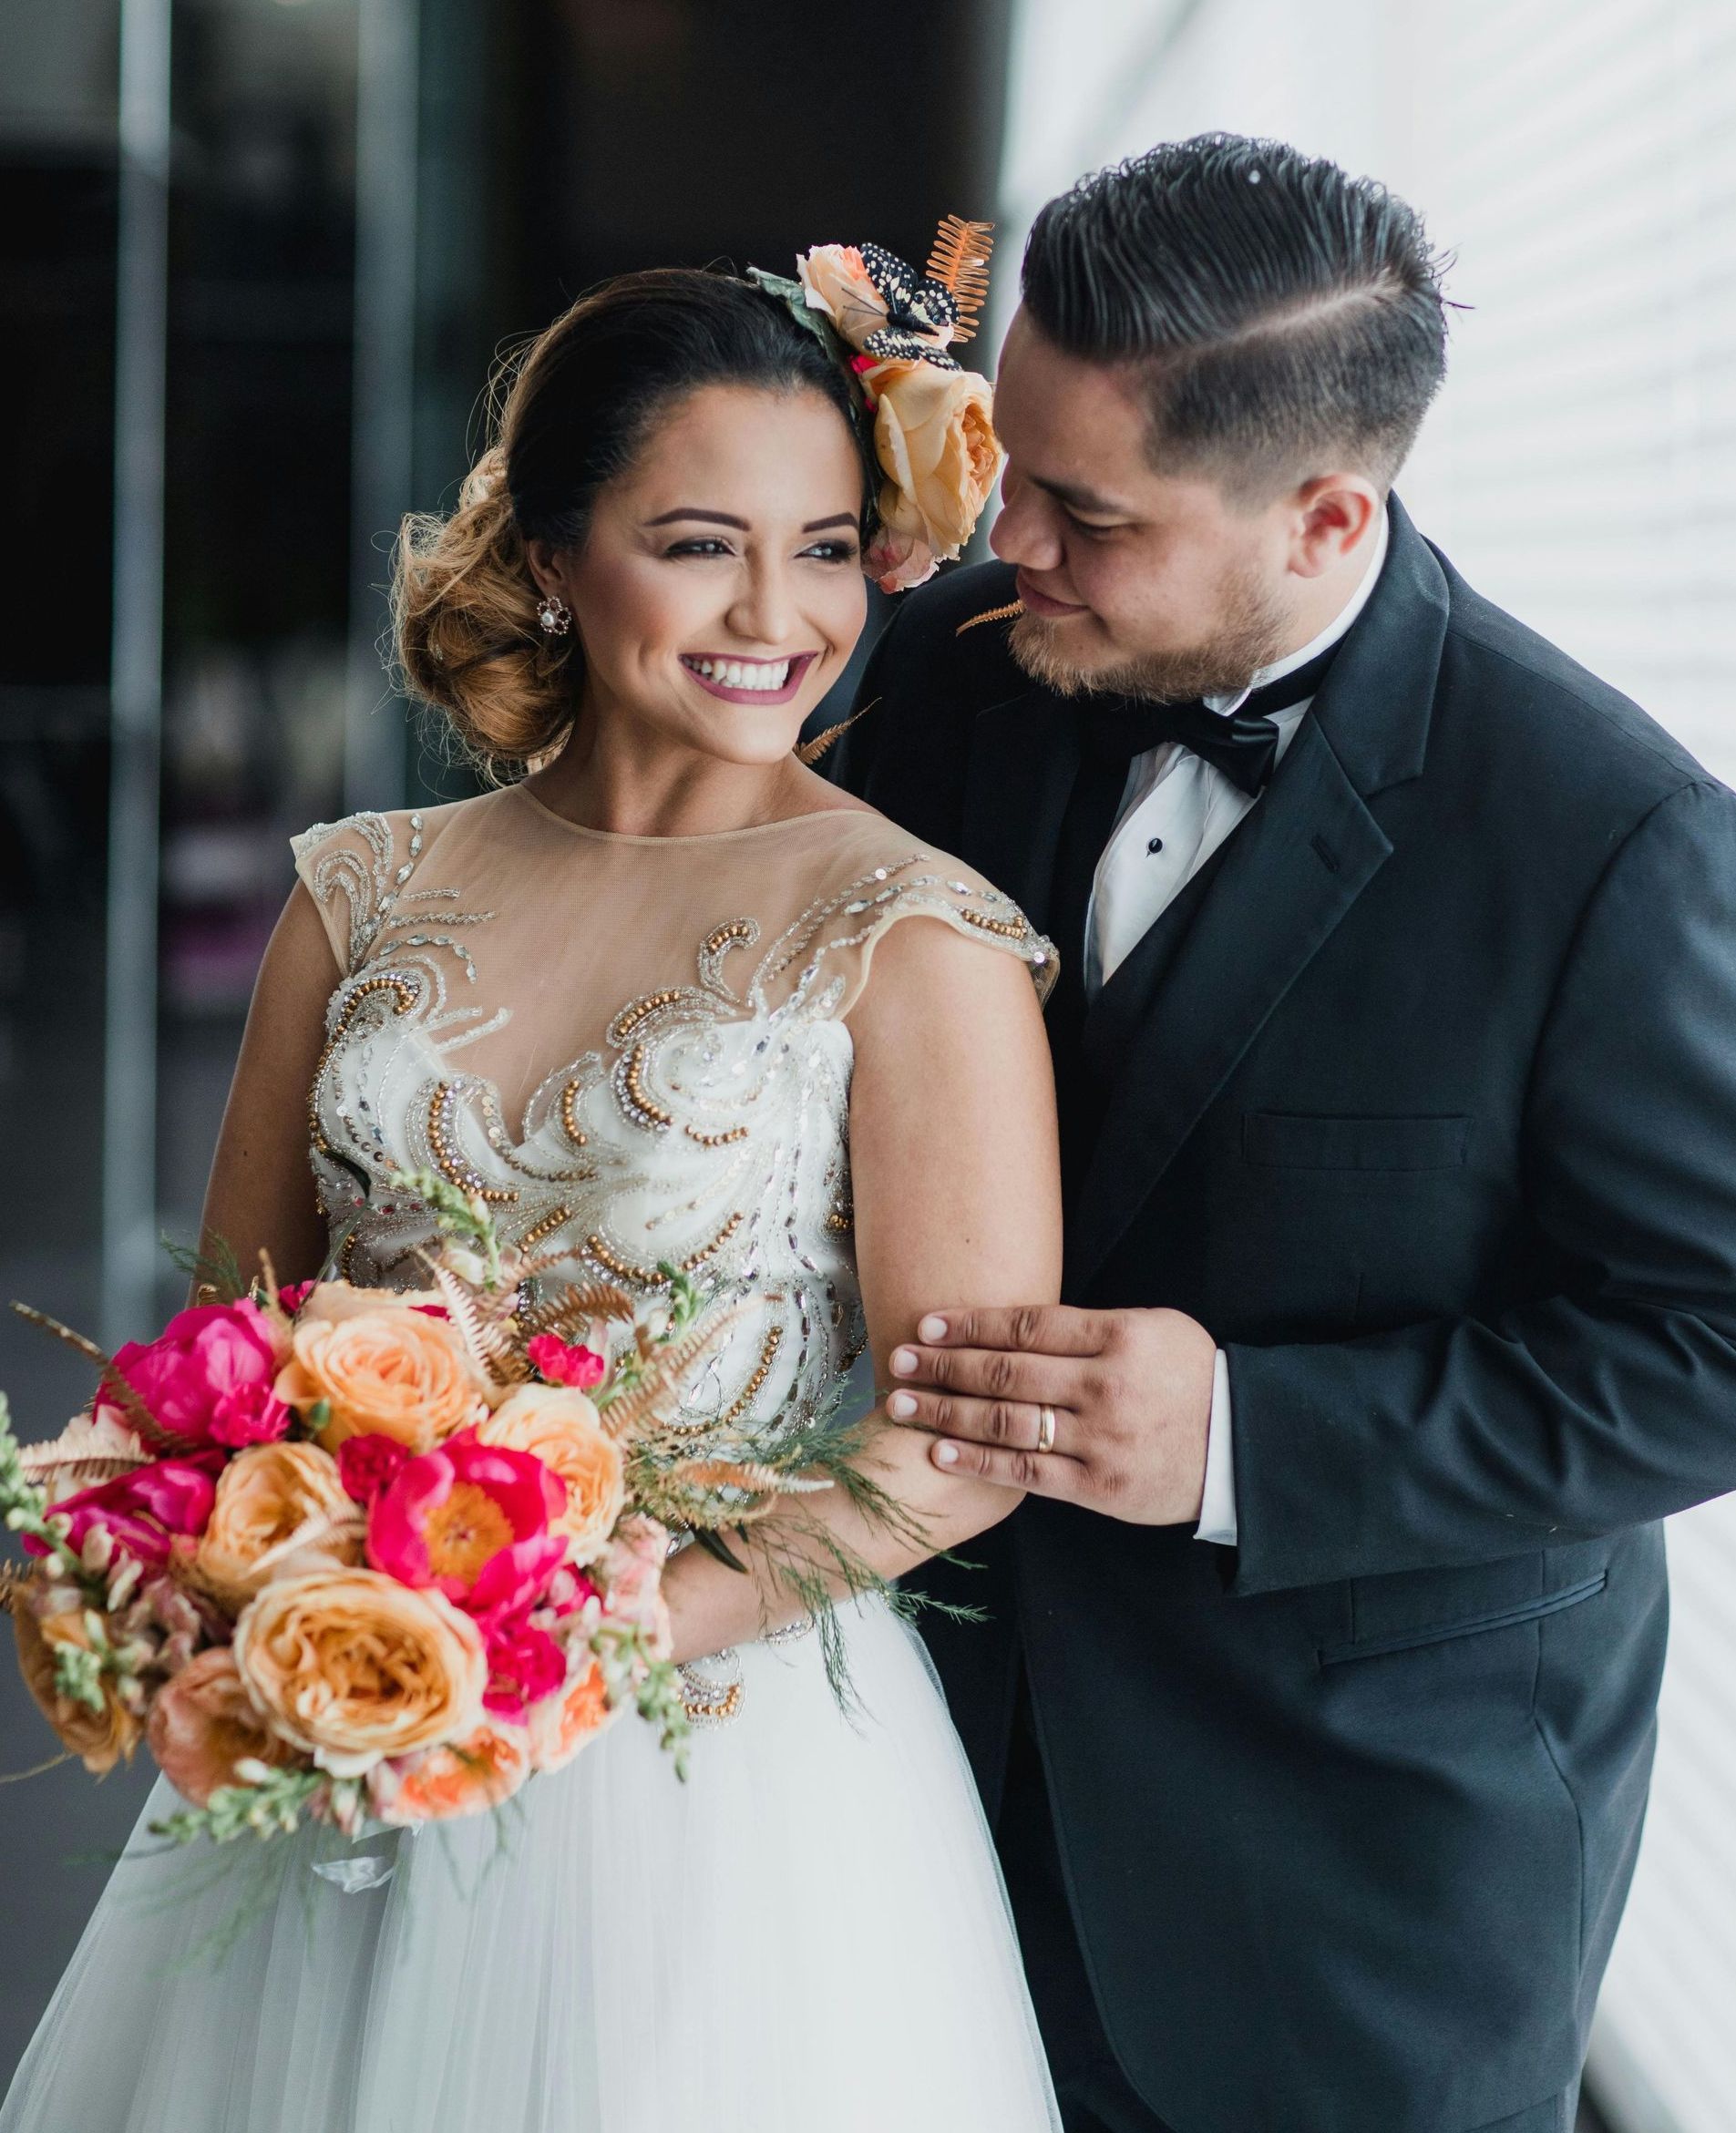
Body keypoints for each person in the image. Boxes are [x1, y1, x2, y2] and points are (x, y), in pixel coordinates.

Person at [1, 261, 1064, 2132]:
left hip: (714, 1780)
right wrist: (185, 1564)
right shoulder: (361, 890)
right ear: (559, 552)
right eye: (699, 544)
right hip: (338, 1709)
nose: (777, 616)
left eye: (826, 549)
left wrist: (628, 1629)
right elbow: (228, 1352)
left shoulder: (913, 934)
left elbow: (961, 1440)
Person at [831, 135, 1736, 2133]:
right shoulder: (950, 679)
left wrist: (1249, 1435)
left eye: (1085, 512)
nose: (1007, 541)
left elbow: (1711, 1341)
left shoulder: (1609, 842)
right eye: (1006, 463)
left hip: (1354, 1883)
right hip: (918, 1807)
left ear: (1326, 515)